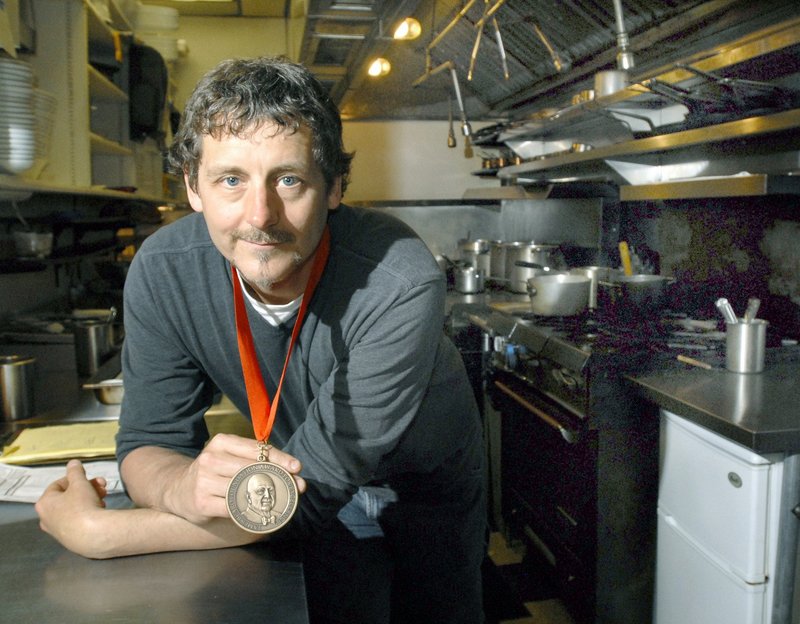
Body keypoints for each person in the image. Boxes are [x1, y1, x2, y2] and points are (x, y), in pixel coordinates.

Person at [35, 55, 486, 624]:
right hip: (292, 478)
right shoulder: (164, 270)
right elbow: (149, 440)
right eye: (231, 179)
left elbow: (306, 500)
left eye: (289, 179)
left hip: (421, 493)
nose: (260, 215)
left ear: (335, 187)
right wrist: (179, 486)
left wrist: (101, 532)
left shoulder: (397, 279)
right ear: (193, 188)